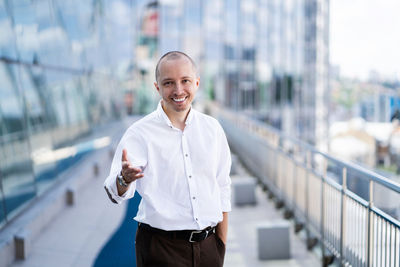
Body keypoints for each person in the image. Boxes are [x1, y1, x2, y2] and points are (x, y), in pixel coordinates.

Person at [104, 51, 232, 267]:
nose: (179, 90)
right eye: (169, 83)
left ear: (197, 83)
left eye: (185, 81)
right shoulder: (139, 133)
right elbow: (113, 193)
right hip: (161, 250)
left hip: (209, 248)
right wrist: (124, 179)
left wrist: (220, 245)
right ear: (157, 88)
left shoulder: (213, 129)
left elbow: (222, 188)